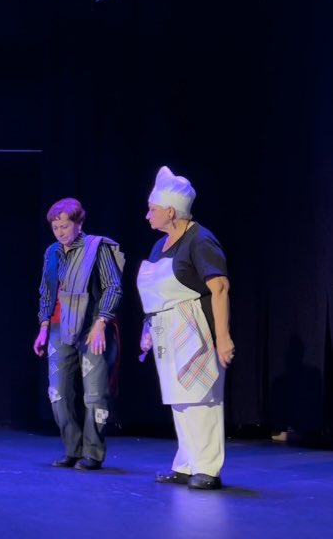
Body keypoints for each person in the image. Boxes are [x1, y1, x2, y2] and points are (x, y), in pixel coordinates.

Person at [137, 166, 233, 490]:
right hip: (168, 331)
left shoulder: (200, 240)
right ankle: (187, 463)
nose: (147, 215)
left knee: (201, 398)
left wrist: (223, 337)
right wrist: (147, 328)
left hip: (198, 331)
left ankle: (207, 468)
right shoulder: (160, 245)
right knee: (179, 399)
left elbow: (220, 288)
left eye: (152, 209)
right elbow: (156, 294)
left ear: (170, 211)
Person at [32, 199, 123, 470]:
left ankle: (92, 452)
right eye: (55, 227)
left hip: (91, 325)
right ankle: (72, 448)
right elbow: (46, 291)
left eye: (64, 226)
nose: (59, 232)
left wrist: (101, 324)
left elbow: (113, 287)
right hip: (59, 327)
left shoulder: (96, 248)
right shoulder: (52, 252)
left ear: (79, 223)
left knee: (94, 394)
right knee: (58, 392)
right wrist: (43, 327)